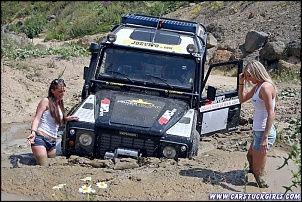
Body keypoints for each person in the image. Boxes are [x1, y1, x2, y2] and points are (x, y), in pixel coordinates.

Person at [238, 60, 278, 188]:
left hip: (264, 133)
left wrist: (265, 138)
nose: (249, 79)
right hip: (258, 131)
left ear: (257, 72)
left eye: (249, 75)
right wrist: (241, 82)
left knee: (257, 171)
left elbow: (271, 114)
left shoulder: (266, 87)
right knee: (249, 155)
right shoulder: (258, 87)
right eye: (247, 76)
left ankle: (261, 184)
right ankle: (256, 170)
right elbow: (242, 99)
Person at [26, 78, 79, 166]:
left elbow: (56, 121)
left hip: (53, 142)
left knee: (52, 167)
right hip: (40, 139)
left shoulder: (59, 103)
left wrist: (66, 119)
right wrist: (33, 133)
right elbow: (37, 118)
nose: (62, 94)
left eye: (63, 91)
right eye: (60, 92)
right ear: (52, 91)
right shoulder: (45, 101)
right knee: (43, 166)